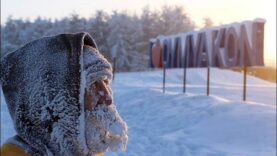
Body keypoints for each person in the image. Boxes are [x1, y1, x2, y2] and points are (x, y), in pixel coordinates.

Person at [0, 32, 128, 156]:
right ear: (51, 96)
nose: (108, 98)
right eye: (92, 83)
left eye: (106, 81)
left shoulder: (88, 148)